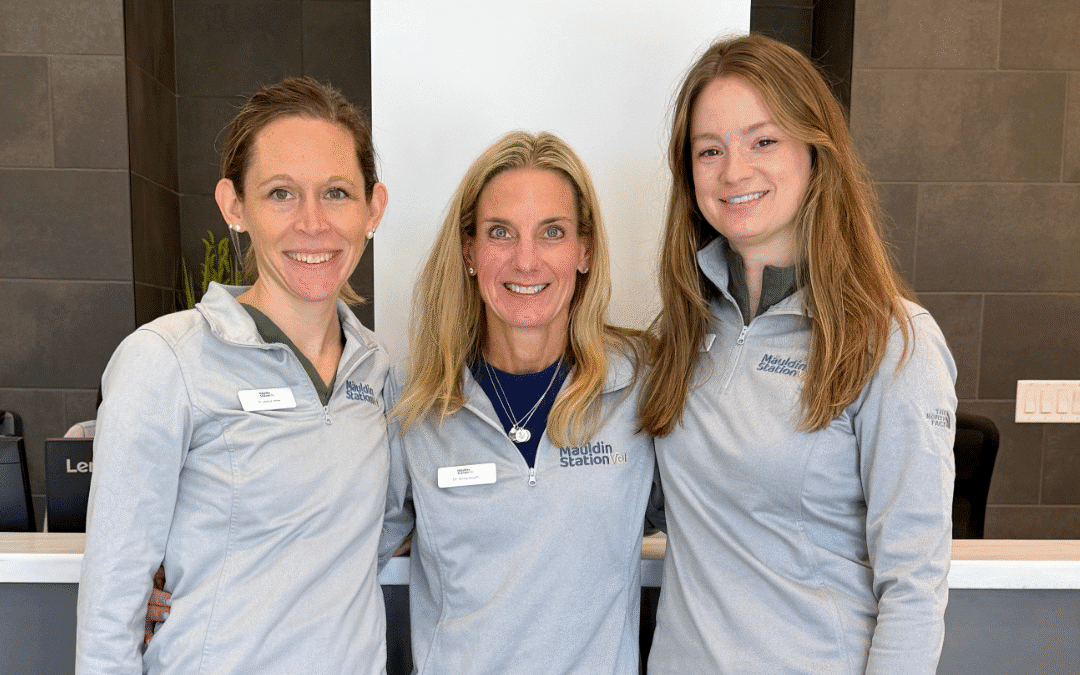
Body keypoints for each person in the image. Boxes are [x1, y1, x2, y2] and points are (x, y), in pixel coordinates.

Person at [638, 34, 957, 674]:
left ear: (815, 152)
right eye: (710, 150)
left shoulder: (894, 341)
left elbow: (914, 588)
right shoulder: (678, 335)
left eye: (764, 141)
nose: (734, 171)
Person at [77, 77, 391, 675]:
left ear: (372, 207)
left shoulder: (380, 373)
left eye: (336, 193)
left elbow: (388, 522)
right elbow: (111, 597)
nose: (312, 223)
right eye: (280, 194)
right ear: (234, 206)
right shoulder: (165, 360)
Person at [378, 130, 660, 674]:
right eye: (500, 233)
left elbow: (718, 516)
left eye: (551, 232)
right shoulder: (413, 397)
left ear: (584, 250)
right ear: (469, 251)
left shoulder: (639, 386)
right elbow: (340, 547)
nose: (526, 261)